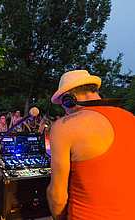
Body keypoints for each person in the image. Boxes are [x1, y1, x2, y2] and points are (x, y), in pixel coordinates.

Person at [47, 70, 135, 219]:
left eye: (63, 104)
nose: (64, 109)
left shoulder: (64, 126)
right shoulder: (130, 118)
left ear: (69, 99)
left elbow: (56, 196)